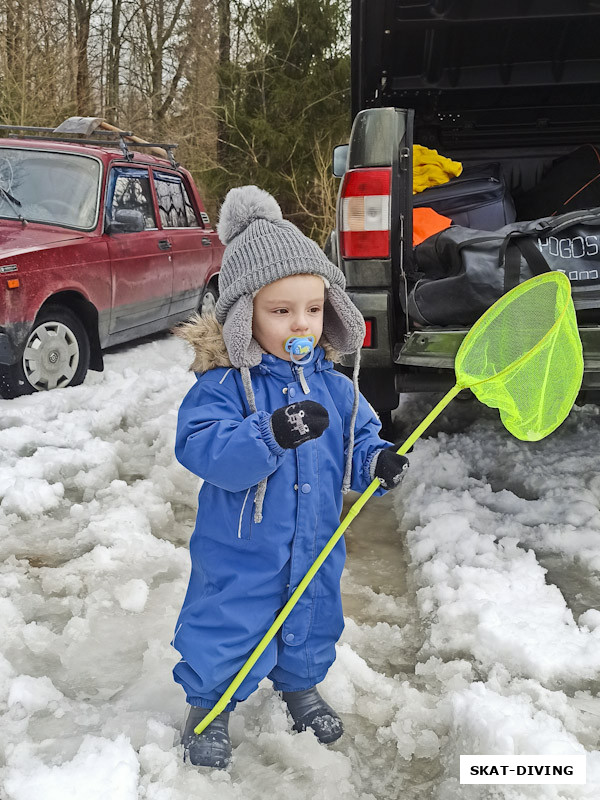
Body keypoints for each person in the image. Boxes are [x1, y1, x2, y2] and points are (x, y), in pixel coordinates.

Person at [172, 186, 409, 769]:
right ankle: (210, 704)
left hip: (315, 537)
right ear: (244, 314)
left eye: (312, 308)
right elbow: (203, 448)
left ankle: (300, 684)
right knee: (228, 621)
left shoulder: (332, 384)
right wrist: (270, 433)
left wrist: (374, 459)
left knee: (312, 610)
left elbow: (357, 435)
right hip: (241, 548)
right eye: (280, 311)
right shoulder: (225, 386)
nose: (300, 322)